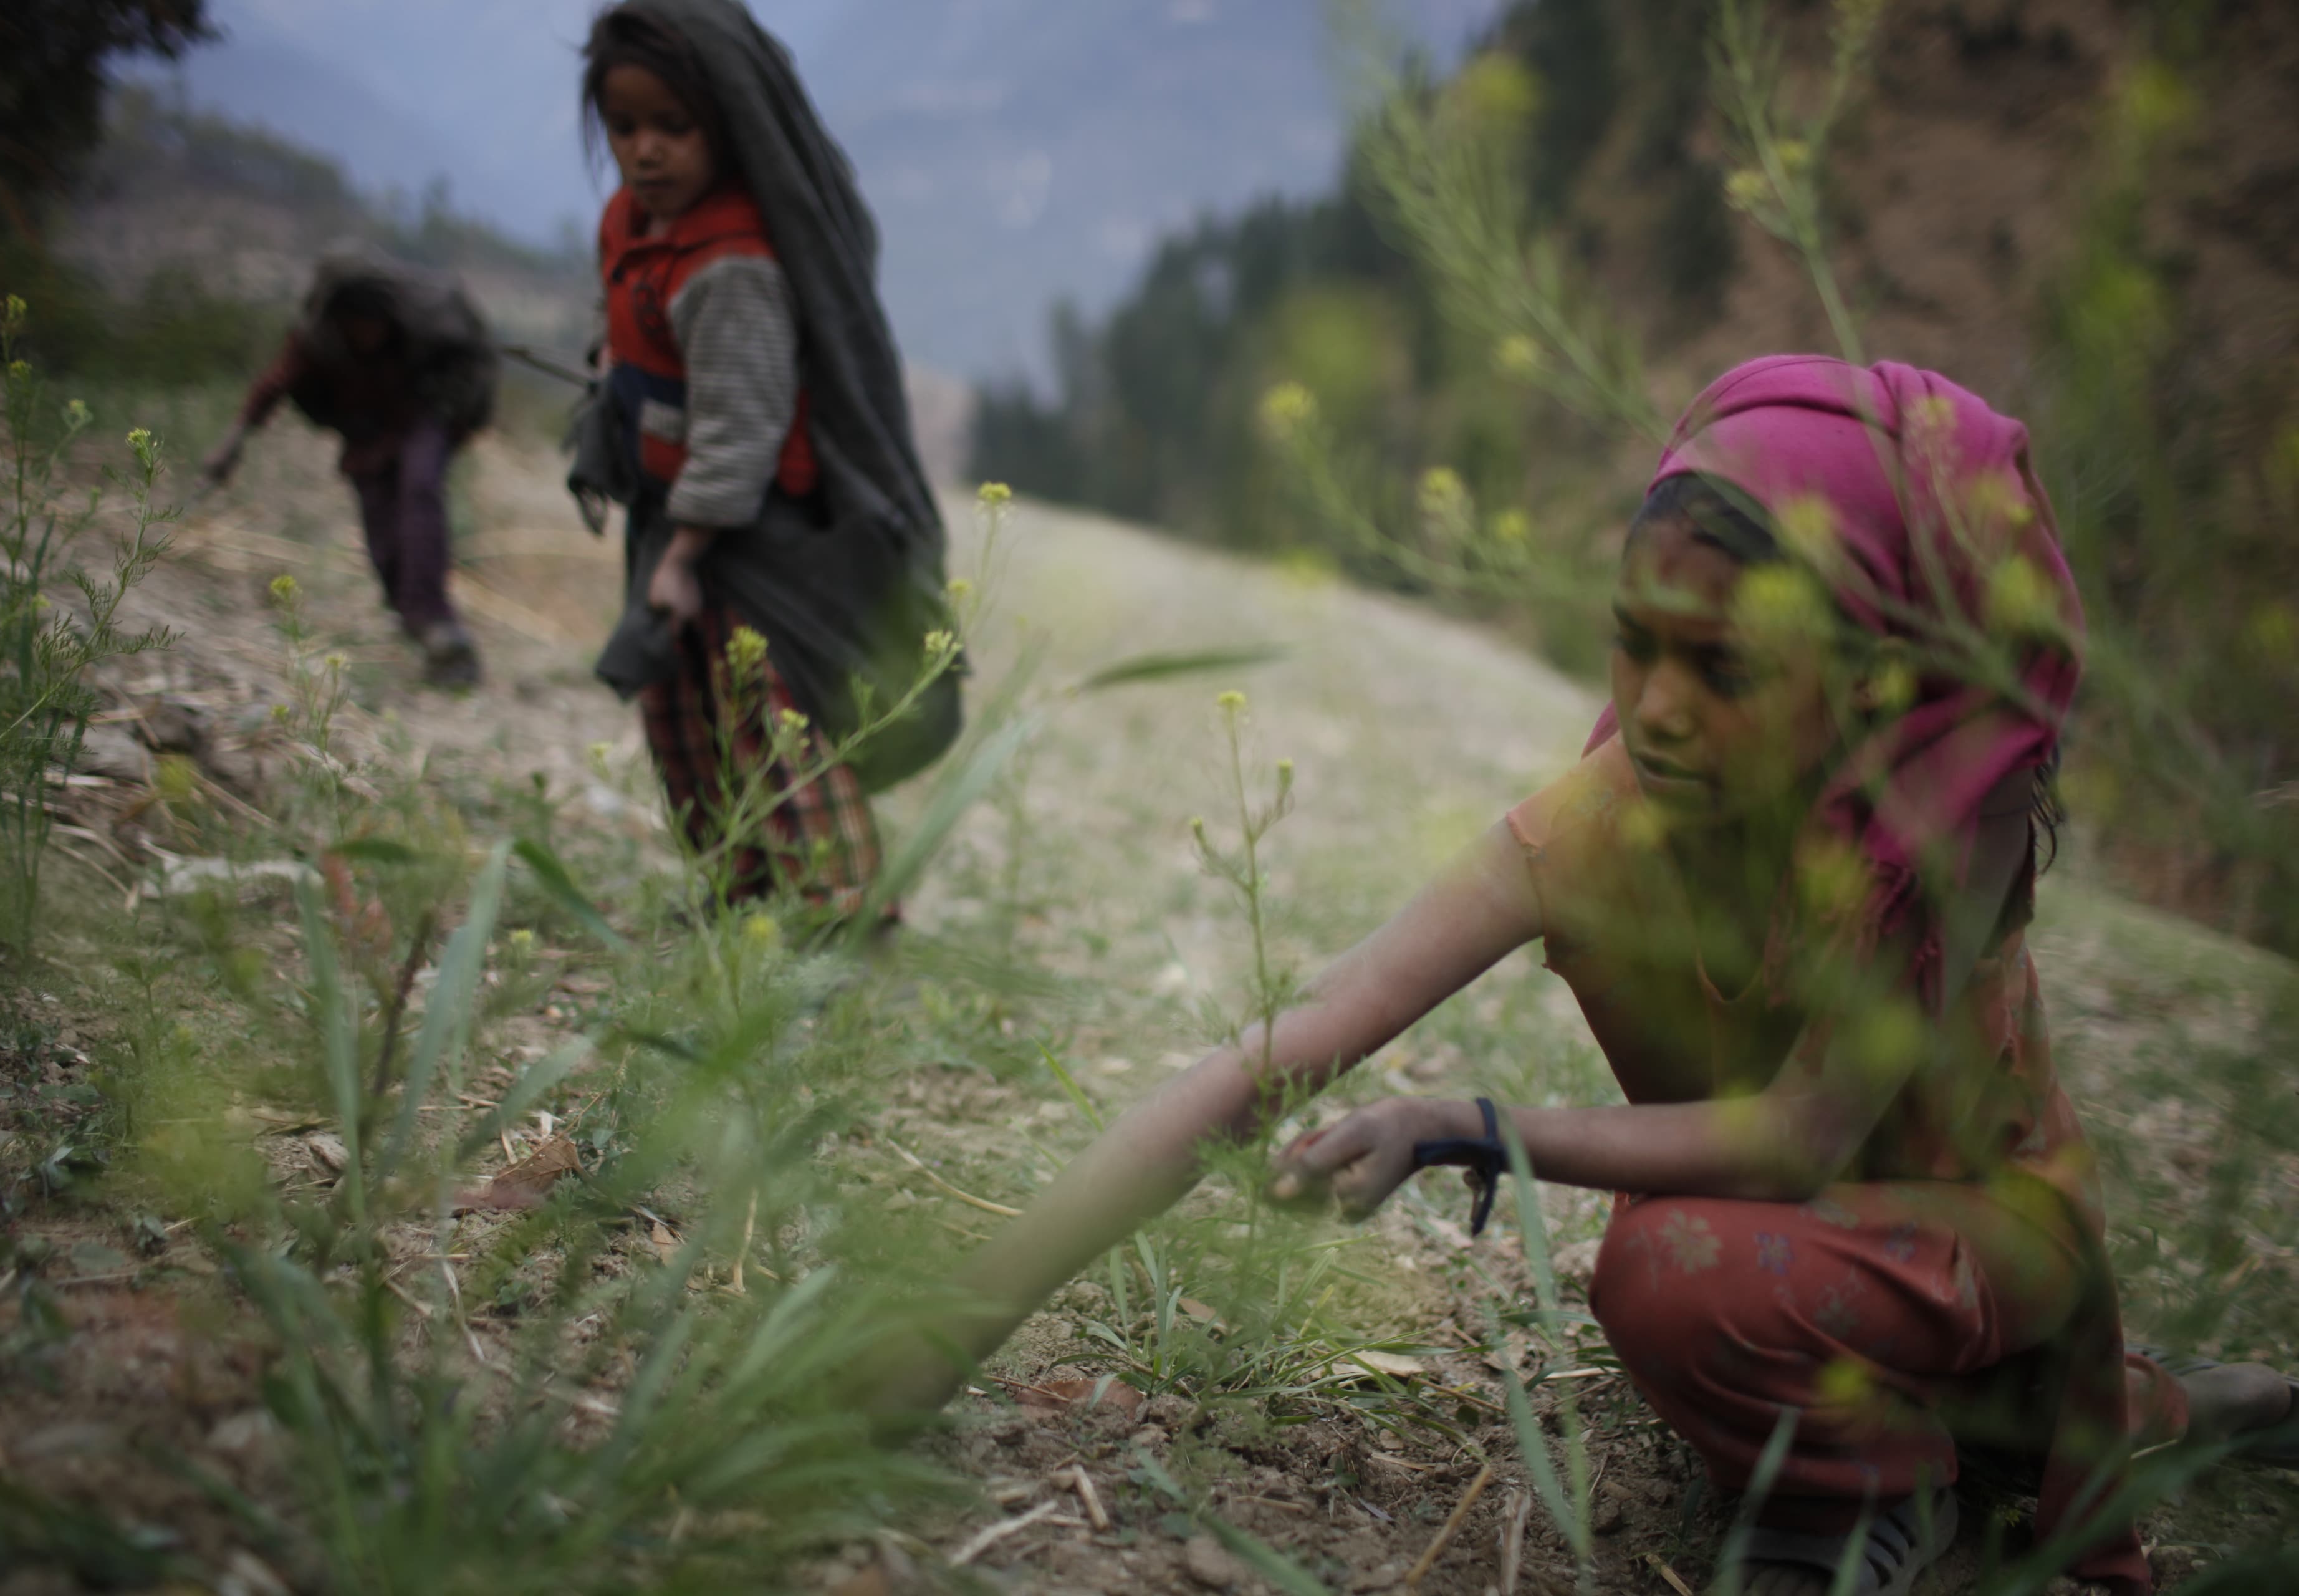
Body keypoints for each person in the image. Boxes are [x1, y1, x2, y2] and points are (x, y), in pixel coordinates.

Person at [880, 357, 2296, 1595]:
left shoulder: (1936, 826)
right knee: (1707, 1274)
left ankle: (1887, 1486)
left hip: (1974, 1226)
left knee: (1672, 1271)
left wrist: (1469, 1123)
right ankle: (2074, 1418)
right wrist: (953, 1317)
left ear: (1868, 674)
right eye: (1635, 642)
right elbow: (1295, 1035)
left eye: (1724, 666)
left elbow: (1803, 1136)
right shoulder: (1603, 821)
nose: (1655, 710)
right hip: (1796, 1248)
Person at [574, 0, 960, 920]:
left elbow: (741, 433)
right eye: (623, 126)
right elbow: (628, 315)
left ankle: (842, 915)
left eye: (674, 125)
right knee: (688, 720)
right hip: (679, 515)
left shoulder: (734, 267)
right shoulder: (634, 223)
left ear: (728, 124)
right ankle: (744, 896)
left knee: (770, 724)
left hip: (750, 539)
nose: (646, 152)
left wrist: (680, 560)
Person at [204, 251, 497, 686]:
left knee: (420, 492)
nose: (367, 333)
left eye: (374, 323)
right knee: (383, 538)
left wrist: (455, 418)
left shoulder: (422, 334)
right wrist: (232, 445)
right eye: (357, 323)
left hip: (420, 418)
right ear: (339, 323)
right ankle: (420, 627)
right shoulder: (315, 345)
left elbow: (465, 376)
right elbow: (272, 387)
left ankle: (437, 624)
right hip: (367, 436)